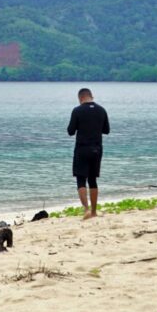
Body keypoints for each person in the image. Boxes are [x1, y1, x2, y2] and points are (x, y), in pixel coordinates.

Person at [67, 87, 109, 219]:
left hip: (82, 149)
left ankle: (86, 210)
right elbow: (106, 130)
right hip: (97, 149)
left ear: (80, 98)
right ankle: (94, 212)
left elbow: (70, 131)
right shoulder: (102, 110)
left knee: (81, 179)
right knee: (92, 180)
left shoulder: (77, 110)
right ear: (92, 96)